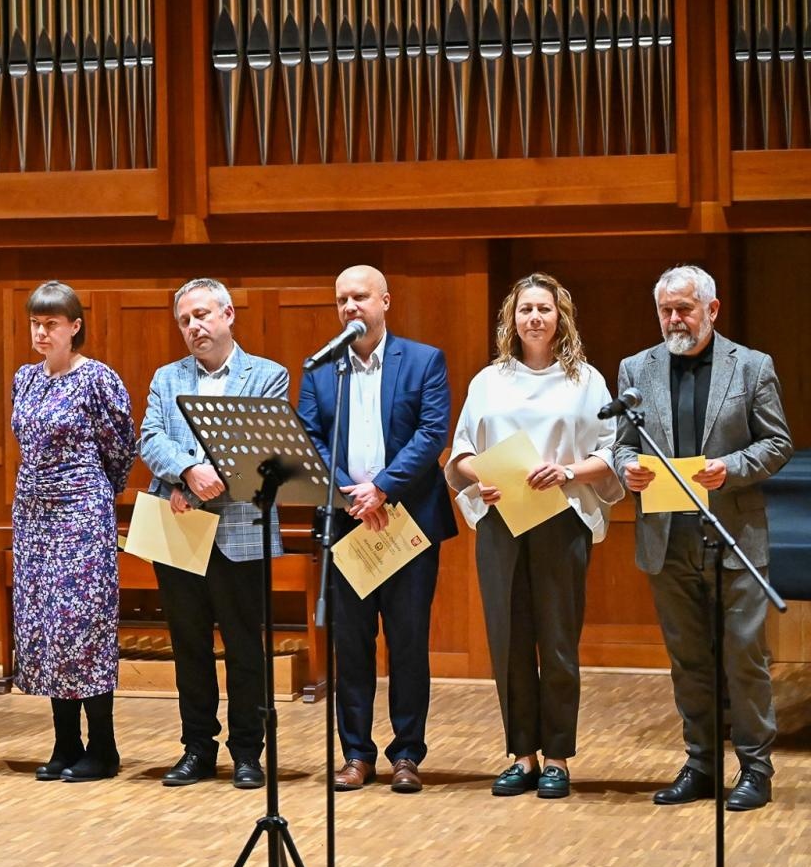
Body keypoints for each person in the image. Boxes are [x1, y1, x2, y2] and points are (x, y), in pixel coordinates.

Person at [614, 265, 792, 811]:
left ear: (712, 310)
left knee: (743, 656)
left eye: (684, 309)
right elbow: (621, 443)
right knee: (689, 659)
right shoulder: (635, 368)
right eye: (666, 310)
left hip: (734, 533)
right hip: (667, 537)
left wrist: (731, 466)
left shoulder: (751, 366)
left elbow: (778, 442)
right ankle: (702, 764)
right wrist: (628, 470)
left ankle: (756, 769)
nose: (674, 319)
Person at [446, 274, 623, 799]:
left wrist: (568, 471)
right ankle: (522, 755)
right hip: (502, 521)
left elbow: (612, 451)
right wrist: (484, 476)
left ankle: (558, 758)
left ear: (560, 317)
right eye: (525, 310)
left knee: (559, 641)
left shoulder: (586, 380)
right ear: (512, 319)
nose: (535, 318)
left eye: (544, 309)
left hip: (562, 517)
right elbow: (460, 455)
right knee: (509, 641)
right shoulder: (488, 381)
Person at [298, 265, 456, 793]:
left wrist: (382, 487)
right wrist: (347, 490)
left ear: (385, 300)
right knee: (352, 643)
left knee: (408, 642)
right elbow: (311, 439)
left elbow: (433, 432)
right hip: (347, 523)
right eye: (341, 299)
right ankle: (356, 755)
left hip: (405, 521)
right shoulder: (321, 370)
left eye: (360, 297)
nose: (350, 307)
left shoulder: (423, 360)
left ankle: (407, 754)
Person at [137, 278, 289, 789]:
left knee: (247, 646)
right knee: (188, 646)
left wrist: (195, 483)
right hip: (179, 526)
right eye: (184, 320)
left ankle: (248, 751)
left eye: (202, 315)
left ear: (227, 314)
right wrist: (184, 474)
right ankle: (197, 748)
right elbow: (150, 437)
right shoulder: (166, 377)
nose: (194, 327)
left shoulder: (268, 375)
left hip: (240, 527)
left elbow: (258, 445)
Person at [12, 282, 137, 783]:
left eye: (51, 325)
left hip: (82, 509)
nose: (41, 333)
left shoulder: (97, 380)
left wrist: (92, 491)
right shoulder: (25, 378)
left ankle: (103, 746)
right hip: (33, 512)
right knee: (43, 625)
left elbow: (121, 447)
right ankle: (65, 742)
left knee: (80, 625)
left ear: (74, 326)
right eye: (35, 324)